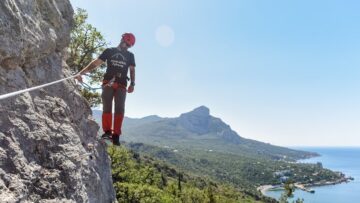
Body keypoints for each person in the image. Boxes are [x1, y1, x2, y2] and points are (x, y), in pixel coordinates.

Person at [75, 33, 136, 145]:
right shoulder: (109, 51)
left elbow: (132, 70)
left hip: (122, 84)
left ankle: (116, 135)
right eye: (126, 43)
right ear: (122, 39)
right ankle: (107, 132)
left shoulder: (130, 56)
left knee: (120, 109)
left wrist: (132, 84)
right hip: (108, 82)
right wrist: (81, 73)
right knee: (107, 107)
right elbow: (95, 63)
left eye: (129, 45)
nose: (126, 46)